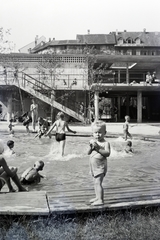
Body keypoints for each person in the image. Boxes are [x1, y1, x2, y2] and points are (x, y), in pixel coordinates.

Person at [88, 121, 111, 206]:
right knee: (95, 182)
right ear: (93, 133)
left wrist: (98, 149)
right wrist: (91, 148)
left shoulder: (106, 143)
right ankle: (97, 197)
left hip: (100, 166)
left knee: (98, 183)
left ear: (105, 133)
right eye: (95, 133)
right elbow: (88, 153)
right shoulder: (94, 142)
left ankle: (101, 200)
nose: (97, 135)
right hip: (93, 166)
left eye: (100, 132)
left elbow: (107, 154)